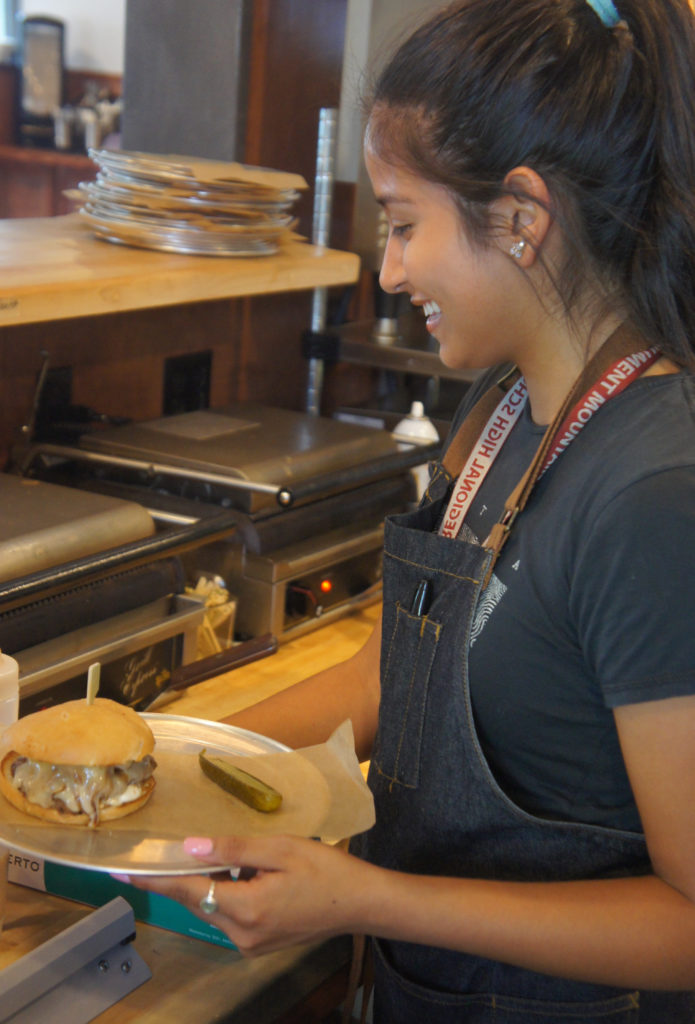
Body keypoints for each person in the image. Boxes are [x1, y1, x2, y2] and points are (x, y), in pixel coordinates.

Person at [123, 1, 695, 1019]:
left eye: (399, 224)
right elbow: (394, 669)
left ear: (520, 217)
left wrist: (369, 898)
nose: (386, 273)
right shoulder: (507, 406)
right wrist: (152, 751)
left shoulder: (651, 491)